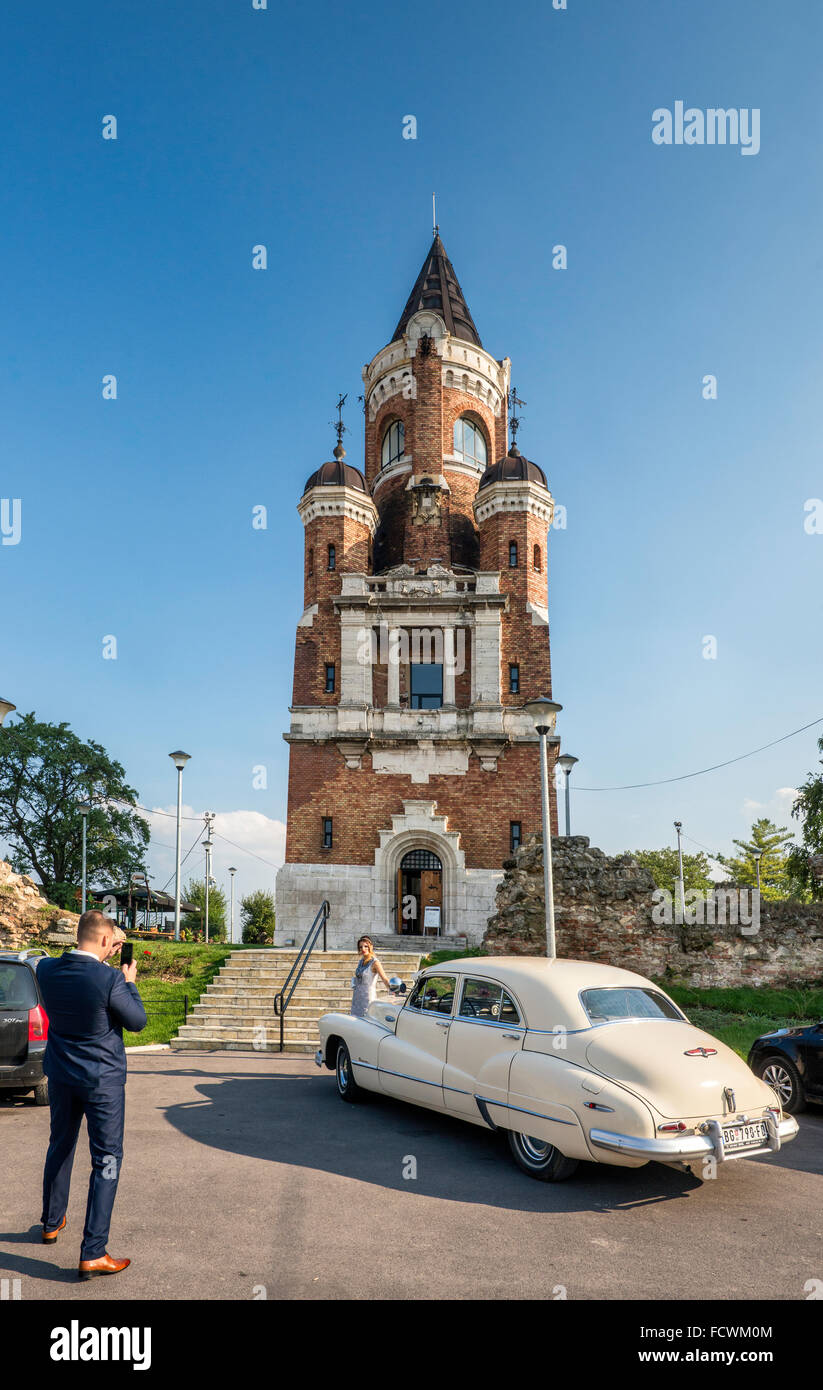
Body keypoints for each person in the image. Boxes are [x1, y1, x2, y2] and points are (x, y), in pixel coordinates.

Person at [37, 909, 147, 1280]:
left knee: (60, 1145)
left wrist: (104, 956)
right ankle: (93, 1252)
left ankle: (51, 1223)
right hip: (102, 1084)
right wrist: (129, 981)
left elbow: (78, 975)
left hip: (62, 1077)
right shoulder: (111, 979)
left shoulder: (46, 970)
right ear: (106, 941)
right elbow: (137, 1021)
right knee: (107, 1160)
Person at [351, 935, 394, 1018]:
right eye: (361, 947)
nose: (363, 949)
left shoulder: (375, 963)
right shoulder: (361, 962)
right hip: (357, 998)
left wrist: (392, 990)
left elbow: (384, 979)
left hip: (368, 999)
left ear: (370, 947)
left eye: (365, 946)